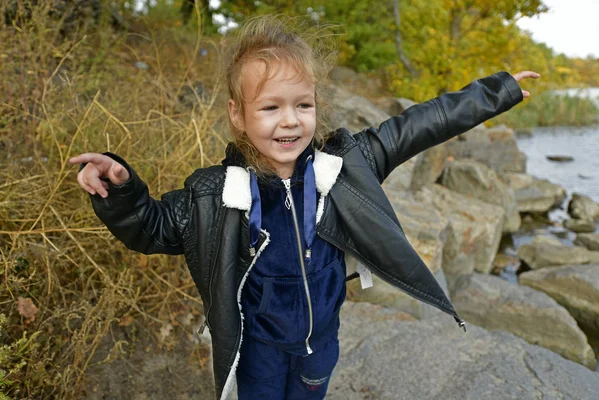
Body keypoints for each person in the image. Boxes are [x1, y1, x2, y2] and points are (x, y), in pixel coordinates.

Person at [70, 15, 539, 400]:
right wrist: (122, 191)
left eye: (303, 104)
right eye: (271, 108)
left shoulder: (346, 166)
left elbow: (418, 125)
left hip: (321, 342)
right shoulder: (216, 194)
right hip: (258, 348)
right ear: (238, 114)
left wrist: (497, 91)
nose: (290, 120)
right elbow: (152, 228)